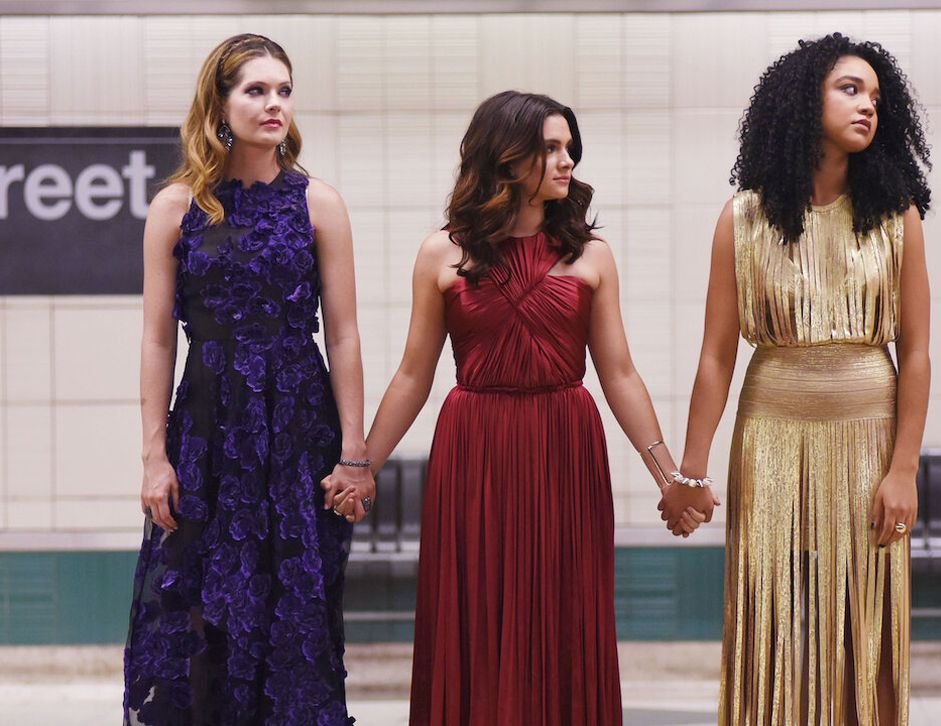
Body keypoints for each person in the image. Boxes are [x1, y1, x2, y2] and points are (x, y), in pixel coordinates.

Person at [334, 90, 693, 725]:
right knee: (475, 609)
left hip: (564, 445)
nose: (567, 161)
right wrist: (360, 462)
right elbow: (414, 375)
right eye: (550, 148)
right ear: (507, 157)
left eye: (569, 148)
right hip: (475, 450)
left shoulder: (592, 255)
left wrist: (672, 480)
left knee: (565, 611)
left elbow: (622, 376)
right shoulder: (440, 253)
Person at [662, 33, 932, 726]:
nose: (868, 105)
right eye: (850, 88)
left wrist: (904, 468)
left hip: (870, 440)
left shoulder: (897, 217)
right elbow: (716, 357)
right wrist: (690, 474)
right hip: (771, 438)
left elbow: (919, 353)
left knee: (860, 613)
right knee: (775, 613)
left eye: (876, 96)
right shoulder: (742, 218)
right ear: (801, 99)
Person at [123, 33, 373, 725]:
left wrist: (355, 451)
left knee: (298, 608)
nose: (274, 105)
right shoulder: (177, 207)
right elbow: (154, 337)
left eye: (283, 91)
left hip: (298, 426)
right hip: (208, 425)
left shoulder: (319, 203)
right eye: (256, 90)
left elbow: (346, 334)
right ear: (219, 103)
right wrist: (154, 456)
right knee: (206, 607)